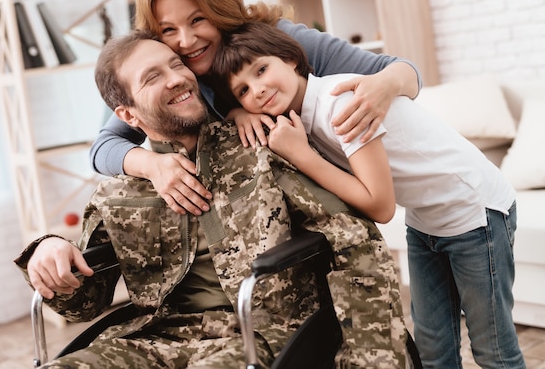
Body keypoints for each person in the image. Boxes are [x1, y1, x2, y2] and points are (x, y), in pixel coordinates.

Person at [16, 31, 411, 368]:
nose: (177, 78)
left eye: (177, 65)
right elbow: (87, 302)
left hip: (259, 330)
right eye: (154, 76)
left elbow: (354, 240)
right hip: (153, 338)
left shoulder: (260, 148)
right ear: (128, 115)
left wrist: (369, 354)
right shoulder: (118, 193)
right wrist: (49, 253)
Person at [209, 21, 526, 369]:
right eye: (242, 90)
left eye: (262, 69)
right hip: (426, 219)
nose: (257, 89)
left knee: (492, 351)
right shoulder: (297, 120)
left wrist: (302, 156)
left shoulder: (337, 104)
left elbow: (380, 205)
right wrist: (237, 114)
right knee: (433, 351)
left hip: (473, 210)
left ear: (292, 59)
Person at [89, 0, 422, 218]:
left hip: (335, 204)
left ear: (219, 10)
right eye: (168, 30)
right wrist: (153, 165)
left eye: (198, 19)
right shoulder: (175, 81)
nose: (186, 42)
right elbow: (104, 147)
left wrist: (382, 87)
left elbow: (402, 70)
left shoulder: (276, 42)